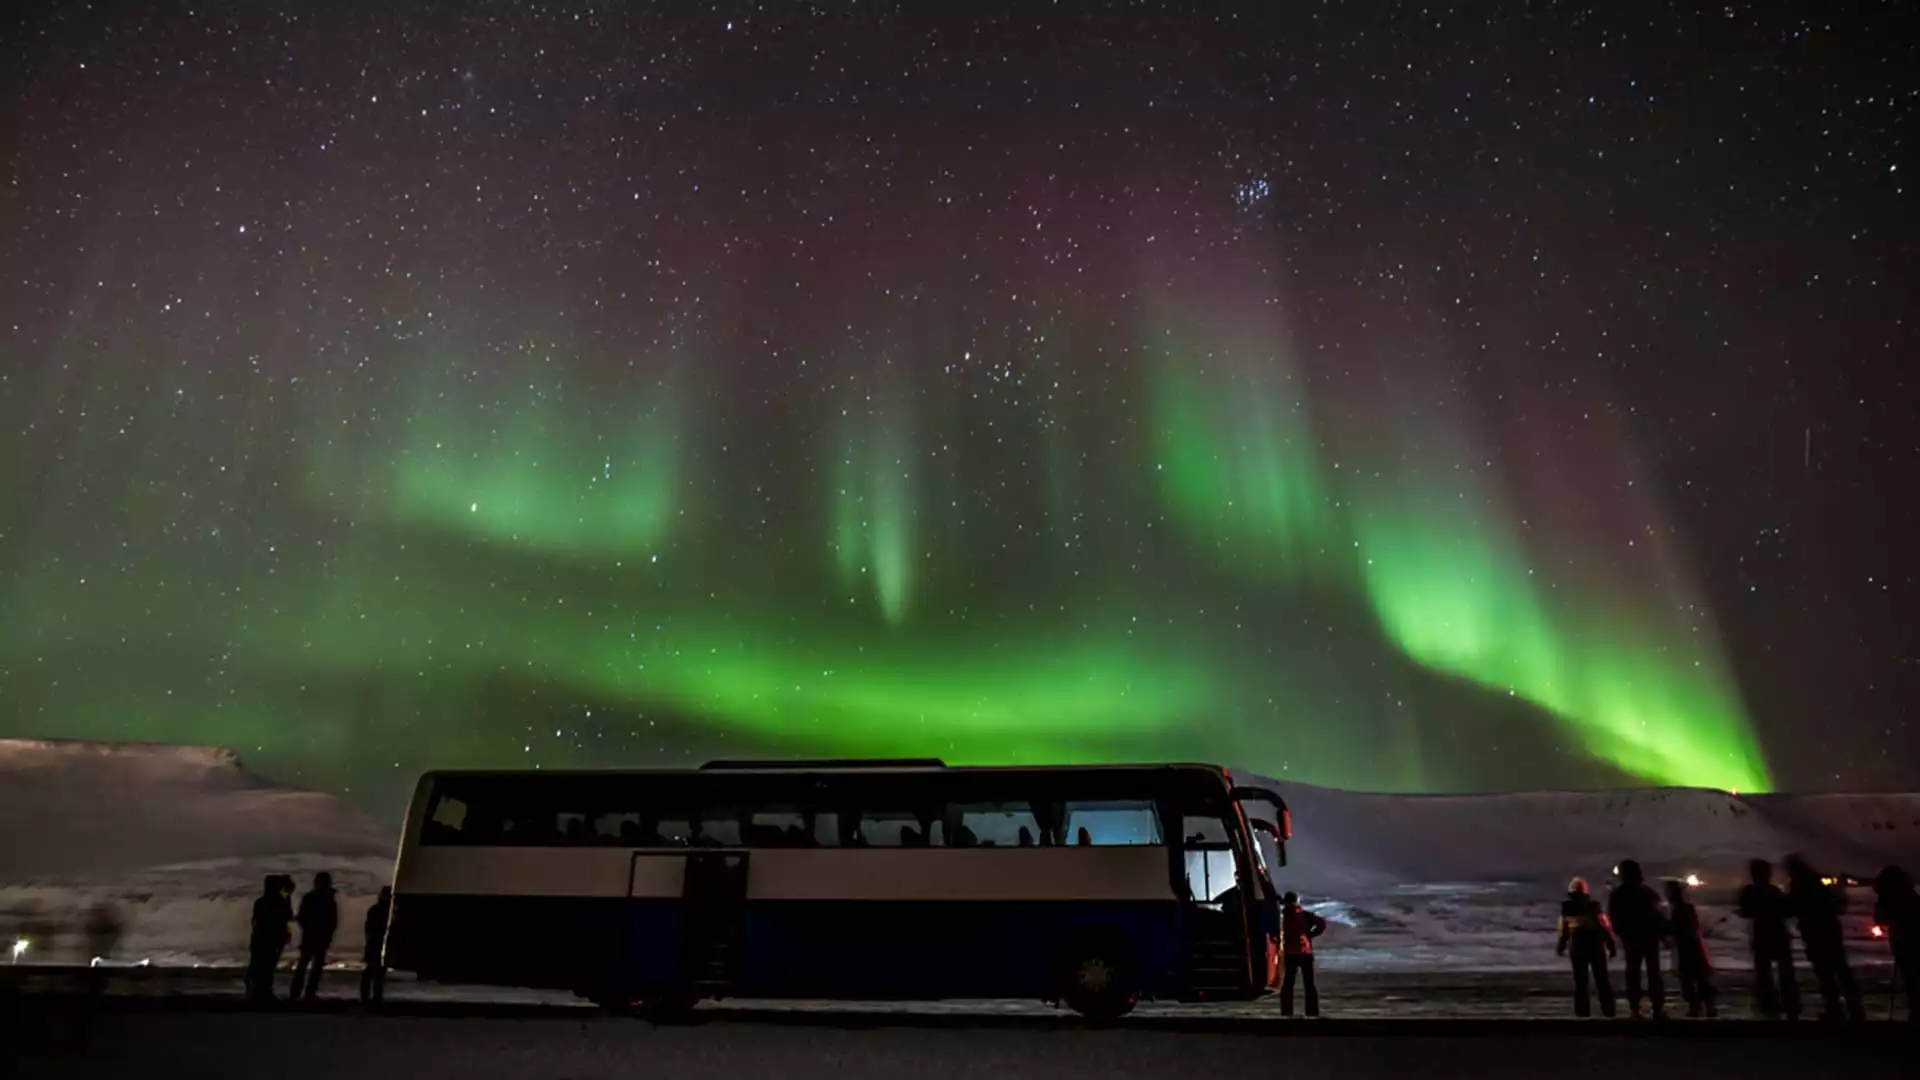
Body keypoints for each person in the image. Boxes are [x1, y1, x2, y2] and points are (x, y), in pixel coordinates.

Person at [1784, 855, 1862, 1021]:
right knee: (1840, 969)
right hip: (1829, 930)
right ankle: (1853, 1006)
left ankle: (1835, 1007)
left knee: (1825, 972)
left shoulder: (1799, 885)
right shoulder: (1817, 882)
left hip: (1815, 932)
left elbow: (1792, 906)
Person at [1736, 858, 1800, 1019]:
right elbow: (1788, 910)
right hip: (1778, 933)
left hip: (1761, 933)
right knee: (1785, 970)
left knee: (1764, 971)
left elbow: (1745, 911)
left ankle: (1769, 1001)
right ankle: (1790, 1001)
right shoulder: (1775, 891)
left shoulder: (1749, 891)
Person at [1607, 859, 1667, 1019]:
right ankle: (1656, 1007)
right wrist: (1663, 934)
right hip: (1647, 937)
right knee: (1651, 972)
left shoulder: (1619, 894)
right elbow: (1658, 916)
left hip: (1634, 938)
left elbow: (1615, 918)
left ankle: (1638, 1007)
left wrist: (1621, 933)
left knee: (1635, 972)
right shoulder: (1647, 892)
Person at [1557, 876, 1617, 1018]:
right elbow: (1604, 927)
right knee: (1602, 980)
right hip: (1595, 946)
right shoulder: (1593, 906)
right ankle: (1609, 1011)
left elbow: (1564, 928)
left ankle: (1582, 1012)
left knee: (1581, 982)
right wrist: (1611, 944)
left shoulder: (1567, 907)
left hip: (1578, 947)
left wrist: (1562, 943)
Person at [1871, 866, 1919, 1021]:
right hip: (1912, 940)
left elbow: (1880, 917)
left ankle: (1915, 1008)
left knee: (1908, 976)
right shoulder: (1911, 895)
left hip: (1903, 941)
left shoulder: (1887, 899)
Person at [1664, 879, 1717, 1017]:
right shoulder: (1686, 908)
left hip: (1687, 947)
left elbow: (1681, 928)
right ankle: (1706, 1006)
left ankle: (1697, 1006)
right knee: (1699, 978)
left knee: (1690, 979)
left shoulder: (1679, 909)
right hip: (1692, 946)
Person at [290, 871, 339, 1002]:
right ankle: (304, 993)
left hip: (314, 937)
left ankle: (301, 993)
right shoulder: (324, 899)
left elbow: (332, 920)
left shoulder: (315, 898)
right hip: (316, 937)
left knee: (308, 966)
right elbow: (332, 920)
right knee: (310, 966)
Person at [246, 874, 293, 1002]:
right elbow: (288, 919)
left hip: (265, 938)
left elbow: (256, 922)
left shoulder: (264, 902)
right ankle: (261, 991)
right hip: (270, 938)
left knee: (261, 966)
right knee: (266, 966)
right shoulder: (278, 902)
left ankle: (258, 991)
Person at [1279, 891, 1326, 1017]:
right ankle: (1312, 1012)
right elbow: (1321, 923)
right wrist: (1310, 935)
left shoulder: (1286, 915)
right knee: (1309, 984)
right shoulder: (1305, 915)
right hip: (1305, 952)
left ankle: (1286, 1011)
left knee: (1288, 983)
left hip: (1290, 953)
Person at [360, 886, 392, 1004]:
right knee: (377, 973)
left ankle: (368, 997)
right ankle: (374, 997)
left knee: (373, 972)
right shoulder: (387, 911)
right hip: (378, 944)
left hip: (375, 943)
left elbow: (368, 929)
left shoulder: (375, 910)